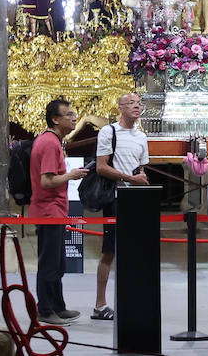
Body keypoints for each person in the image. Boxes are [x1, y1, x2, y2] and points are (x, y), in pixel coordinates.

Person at [91, 92, 151, 321]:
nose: (137, 107)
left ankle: (132, 300)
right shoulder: (110, 132)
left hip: (137, 199)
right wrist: (129, 178)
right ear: (121, 108)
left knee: (135, 251)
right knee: (110, 251)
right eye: (132, 103)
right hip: (116, 198)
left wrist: (140, 178)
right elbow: (101, 167)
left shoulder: (141, 136)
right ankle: (100, 304)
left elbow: (142, 167)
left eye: (139, 103)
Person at [29, 98, 90, 325]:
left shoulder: (53, 141)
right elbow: (46, 181)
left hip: (55, 210)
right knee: (49, 263)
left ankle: (58, 306)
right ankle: (45, 310)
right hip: (48, 211)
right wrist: (71, 176)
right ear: (55, 119)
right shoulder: (49, 143)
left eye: (74, 113)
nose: (74, 118)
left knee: (58, 263)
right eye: (68, 114)